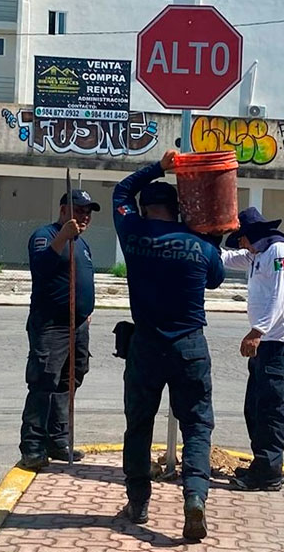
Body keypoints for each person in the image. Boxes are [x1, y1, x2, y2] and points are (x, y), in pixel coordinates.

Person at [112, 150, 225, 541]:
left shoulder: (133, 233)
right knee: (196, 425)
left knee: (138, 425)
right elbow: (216, 280)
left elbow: (121, 192)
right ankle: (194, 500)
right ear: (177, 211)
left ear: (145, 209)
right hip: (190, 345)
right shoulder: (200, 245)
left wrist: (159, 167)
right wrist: (206, 233)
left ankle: (139, 501)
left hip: (146, 345)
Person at [220, 207, 284, 491]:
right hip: (268, 345)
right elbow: (229, 258)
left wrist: (256, 331)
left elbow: (278, 298)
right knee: (254, 408)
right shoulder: (259, 254)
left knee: (271, 409)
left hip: (280, 344)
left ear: (251, 235)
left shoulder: (279, 253)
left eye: (242, 238)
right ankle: (263, 463)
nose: (241, 245)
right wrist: (203, 245)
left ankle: (269, 473)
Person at [19, 189, 100, 469]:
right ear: (64, 210)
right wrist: (62, 236)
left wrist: (87, 311)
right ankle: (32, 447)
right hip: (51, 325)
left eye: (88, 212)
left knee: (70, 380)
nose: (85, 216)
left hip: (78, 325)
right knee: (44, 383)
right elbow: (41, 268)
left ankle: (58, 440)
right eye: (79, 210)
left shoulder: (83, 244)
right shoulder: (46, 235)